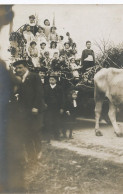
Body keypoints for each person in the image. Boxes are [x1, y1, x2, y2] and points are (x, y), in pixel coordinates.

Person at [12, 60, 45, 162]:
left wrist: (36, 106)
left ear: (26, 67)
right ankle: (31, 156)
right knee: (26, 133)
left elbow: (39, 93)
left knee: (35, 131)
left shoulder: (34, 76)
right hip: (23, 111)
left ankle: (39, 152)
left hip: (35, 109)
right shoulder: (17, 79)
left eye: (20, 67)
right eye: (16, 68)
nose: (18, 70)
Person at [44, 73, 64, 142]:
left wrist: (61, 108)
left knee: (56, 121)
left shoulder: (59, 88)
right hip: (48, 108)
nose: (51, 81)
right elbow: (43, 97)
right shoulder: (46, 87)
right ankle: (48, 137)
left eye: (53, 79)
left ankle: (57, 136)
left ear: (56, 81)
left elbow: (62, 98)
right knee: (48, 122)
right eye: (50, 79)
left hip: (56, 108)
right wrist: (44, 103)